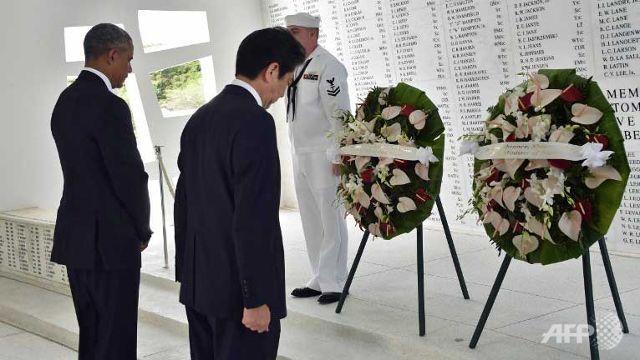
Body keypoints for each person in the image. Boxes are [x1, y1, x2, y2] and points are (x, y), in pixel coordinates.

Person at [173, 27, 305, 359]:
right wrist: (256, 298)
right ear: (271, 70)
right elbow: (252, 220)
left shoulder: (199, 119)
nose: (280, 94)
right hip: (238, 299)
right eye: (286, 83)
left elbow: (183, 206)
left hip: (200, 289)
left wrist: (187, 277)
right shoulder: (255, 122)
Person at [50, 23, 151, 360]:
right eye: (128, 60)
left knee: (92, 335)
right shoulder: (111, 106)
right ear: (112, 55)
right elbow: (130, 177)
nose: (129, 69)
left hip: (75, 238)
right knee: (117, 337)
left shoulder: (64, 102)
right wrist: (141, 229)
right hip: (111, 240)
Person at [285, 13, 350, 305]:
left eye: (295, 31)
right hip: (300, 152)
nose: (290, 37)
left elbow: (340, 115)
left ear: (313, 34)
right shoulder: (294, 65)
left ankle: (335, 279)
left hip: (324, 154)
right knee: (310, 216)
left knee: (330, 217)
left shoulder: (329, 66)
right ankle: (318, 275)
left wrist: (338, 153)